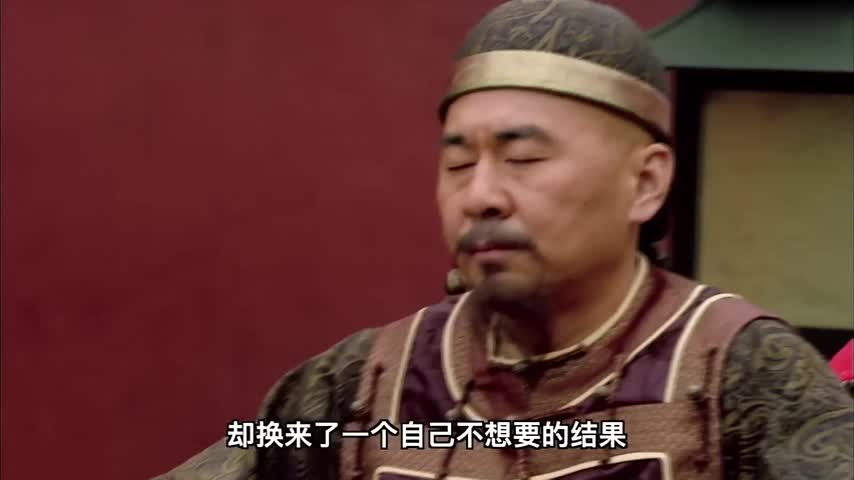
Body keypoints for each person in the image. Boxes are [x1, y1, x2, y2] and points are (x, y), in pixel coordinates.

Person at [153, 1, 854, 479]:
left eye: (524, 157)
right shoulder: (360, 383)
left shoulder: (746, 376)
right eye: (459, 163)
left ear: (646, 182)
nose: (481, 194)